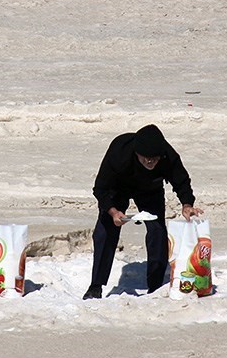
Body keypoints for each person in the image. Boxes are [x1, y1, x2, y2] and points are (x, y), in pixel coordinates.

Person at [83, 124, 204, 300]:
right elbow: (100, 188)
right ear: (136, 153)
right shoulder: (119, 151)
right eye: (146, 158)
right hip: (118, 187)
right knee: (105, 230)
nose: (150, 162)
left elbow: (181, 181)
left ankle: (155, 285)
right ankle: (95, 286)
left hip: (150, 189)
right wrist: (113, 211)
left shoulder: (167, 155)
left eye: (154, 159)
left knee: (157, 232)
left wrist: (187, 204)